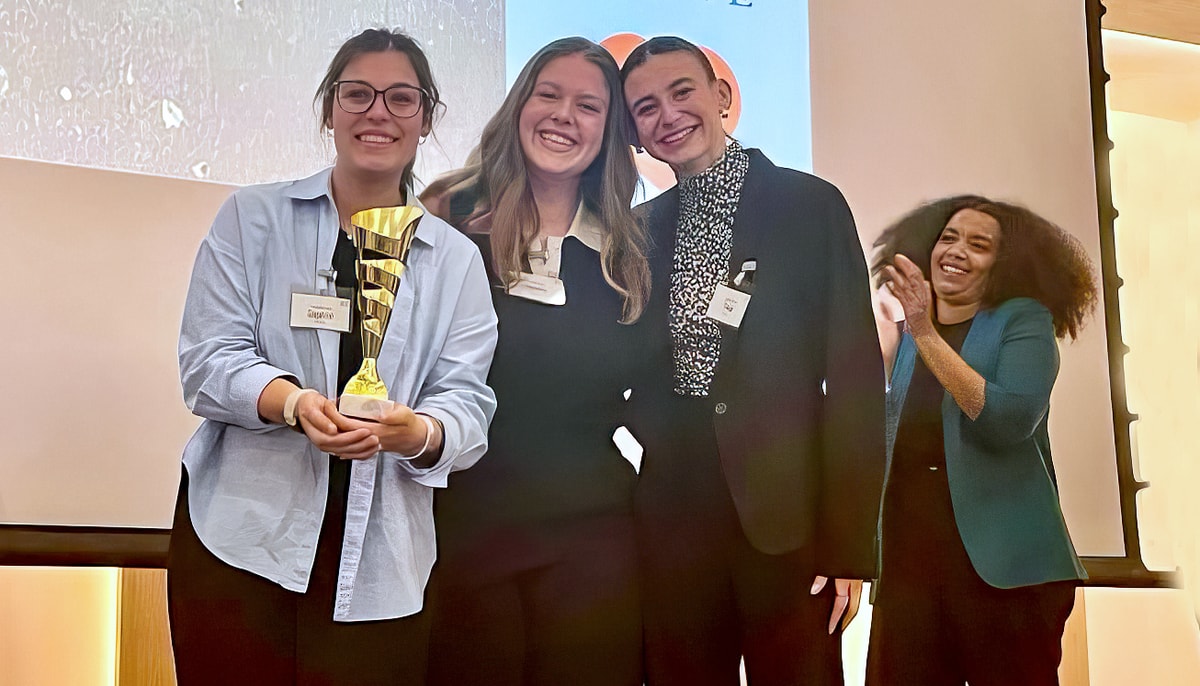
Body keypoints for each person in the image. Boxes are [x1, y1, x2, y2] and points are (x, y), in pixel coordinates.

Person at [167, 28, 497, 685]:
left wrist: (420, 433)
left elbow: (467, 399)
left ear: (425, 118)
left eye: (402, 98)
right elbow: (208, 359)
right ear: (329, 109)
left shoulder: (454, 258)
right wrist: (291, 403)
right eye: (358, 94)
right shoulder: (254, 218)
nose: (378, 112)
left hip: (381, 559)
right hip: (243, 541)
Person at [619, 36, 886, 685]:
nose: (668, 115)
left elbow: (854, 377)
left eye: (682, 92)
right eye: (646, 107)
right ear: (635, 134)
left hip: (789, 520)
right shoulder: (638, 230)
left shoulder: (809, 205)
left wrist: (850, 544)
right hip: (675, 519)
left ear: (721, 96)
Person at [421, 37, 649, 686]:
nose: (562, 116)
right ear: (520, 104)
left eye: (587, 105)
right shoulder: (448, 218)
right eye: (548, 95)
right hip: (462, 529)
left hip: (593, 540)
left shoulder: (627, 253)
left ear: (608, 132)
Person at [867, 195, 1097, 685]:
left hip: (1005, 577)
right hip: (910, 573)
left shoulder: (1023, 321)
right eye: (948, 237)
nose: (956, 250)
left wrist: (926, 332)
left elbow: (1008, 421)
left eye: (979, 244)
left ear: (1004, 263)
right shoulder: (906, 335)